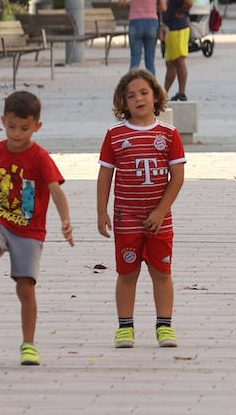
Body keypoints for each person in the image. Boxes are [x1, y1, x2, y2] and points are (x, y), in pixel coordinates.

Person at [0, 90, 74, 366]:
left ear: (37, 126)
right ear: (2, 121)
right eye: (11, 127)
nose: (17, 133)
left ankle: (28, 345)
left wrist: (66, 220)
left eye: (24, 128)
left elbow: (56, 191)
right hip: (0, 221)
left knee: (25, 288)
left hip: (30, 231)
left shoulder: (40, 157)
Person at [97, 69, 186, 350]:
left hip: (160, 220)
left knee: (162, 272)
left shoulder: (169, 135)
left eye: (144, 92)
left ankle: (164, 327)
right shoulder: (114, 136)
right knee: (127, 272)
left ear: (156, 96)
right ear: (122, 103)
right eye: (131, 95)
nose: (138, 99)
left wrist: (161, 211)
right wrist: (102, 211)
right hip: (127, 220)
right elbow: (105, 176)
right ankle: (125, 328)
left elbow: (178, 177)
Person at [118, 0, 164, 75]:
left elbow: (121, 1)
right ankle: (152, 89)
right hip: (152, 23)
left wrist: (131, 6)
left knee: (135, 59)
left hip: (135, 23)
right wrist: (153, 9)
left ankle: (130, 88)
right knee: (150, 61)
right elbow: (164, 7)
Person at [161, 0, 193, 102]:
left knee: (179, 61)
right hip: (172, 28)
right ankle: (164, 92)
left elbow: (189, 2)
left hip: (178, 29)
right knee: (171, 63)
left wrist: (179, 12)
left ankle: (182, 92)